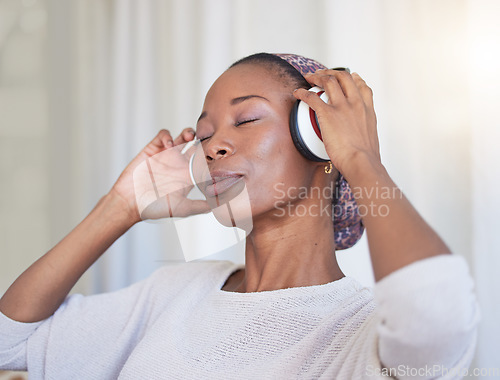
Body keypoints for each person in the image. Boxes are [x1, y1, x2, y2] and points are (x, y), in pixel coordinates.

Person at [0, 53, 479, 379]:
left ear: (317, 138)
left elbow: (434, 311)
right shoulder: (176, 292)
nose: (214, 147)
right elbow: (10, 344)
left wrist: (360, 158)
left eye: (245, 120)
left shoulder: (362, 333)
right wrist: (120, 207)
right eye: (204, 135)